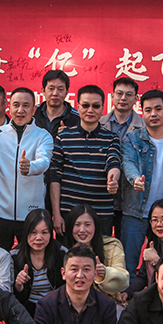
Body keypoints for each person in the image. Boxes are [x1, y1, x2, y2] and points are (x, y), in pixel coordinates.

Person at [120, 90, 163, 276]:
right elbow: (128, 163)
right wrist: (135, 179)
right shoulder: (132, 139)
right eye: (148, 110)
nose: (153, 114)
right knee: (128, 266)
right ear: (142, 112)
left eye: (158, 109)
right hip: (135, 212)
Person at [0, 87, 53, 251]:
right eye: (16, 105)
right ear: (9, 107)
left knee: (30, 259)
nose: (20, 110)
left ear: (33, 109)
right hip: (0, 213)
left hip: (31, 215)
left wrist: (30, 167)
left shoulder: (43, 136)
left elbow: (44, 161)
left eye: (26, 105)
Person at [50, 84, 121, 237]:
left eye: (96, 106)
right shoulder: (63, 137)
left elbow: (113, 162)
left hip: (101, 213)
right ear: (78, 106)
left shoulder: (111, 138)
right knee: (67, 253)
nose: (90, 110)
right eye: (85, 105)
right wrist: (56, 214)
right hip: (69, 212)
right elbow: (55, 176)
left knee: (101, 252)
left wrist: (113, 179)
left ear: (103, 108)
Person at [100, 77, 145, 236]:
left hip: (131, 198)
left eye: (128, 94)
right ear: (112, 96)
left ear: (136, 98)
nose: (123, 98)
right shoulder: (99, 123)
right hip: (102, 196)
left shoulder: (145, 128)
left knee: (125, 245)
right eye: (119, 94)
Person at [63, 205, 129, 300]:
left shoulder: (111, 245)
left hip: (106, 302)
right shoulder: (63, 250)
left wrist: (105, 274)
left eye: (87, 225)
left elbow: (124, 281)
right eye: (77, 224)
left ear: (95, 226)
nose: (82, 230)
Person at [11, 209, 67, 314]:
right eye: (33, 232)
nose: (38, 238)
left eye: (44, 232)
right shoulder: (14, 256)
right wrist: (18, 285)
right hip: (26, 309)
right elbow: (15, 299)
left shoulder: (62, 254)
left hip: (55, 307)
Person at [33, 70, 80, 138]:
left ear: (66, 92)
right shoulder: (33, 113)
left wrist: (71, 134)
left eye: (60, 89)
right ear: (43, 90)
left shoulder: (77, 118)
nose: (55, 93)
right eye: (51, 88)